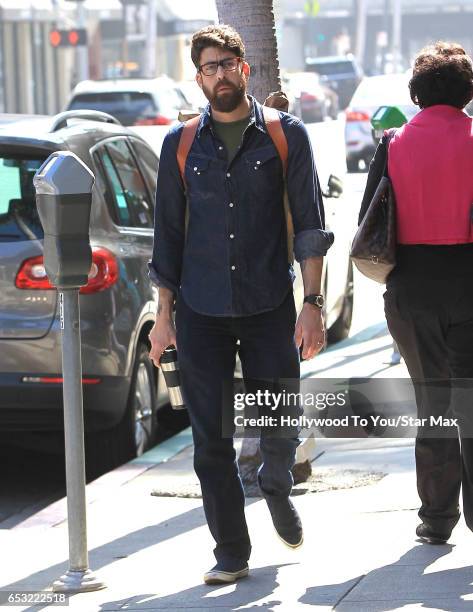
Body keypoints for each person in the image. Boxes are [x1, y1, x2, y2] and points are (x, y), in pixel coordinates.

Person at [148, 24, 333, 584]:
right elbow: (168, 237)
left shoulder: (284, 136)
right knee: (210, 443)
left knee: (280, 420)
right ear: (198, 77)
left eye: (228, 63)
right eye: (209, 67)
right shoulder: (180, 144)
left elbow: (309, 226)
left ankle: (276, 481)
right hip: (200, 310)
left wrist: (313, 303)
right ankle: (231, 550)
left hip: (269, 303)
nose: (220, 74)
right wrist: (163, 316)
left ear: (244, 68)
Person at [359, 41, 473, 545]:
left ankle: (436, 517)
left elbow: (372, 220)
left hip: (412, 287)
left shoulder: (393, 142)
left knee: (434, 402)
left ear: (417, 91)